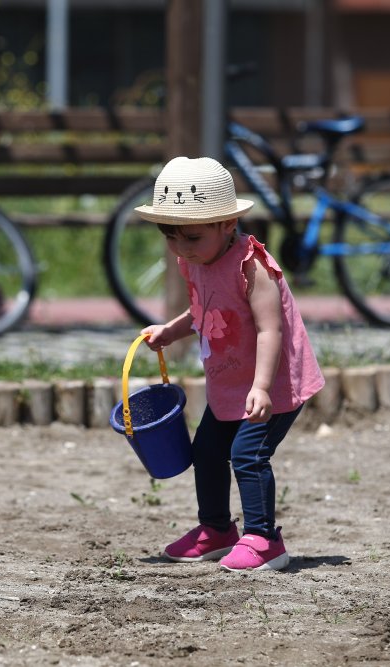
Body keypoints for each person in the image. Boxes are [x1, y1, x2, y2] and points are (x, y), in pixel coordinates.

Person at [134, 156, 325, 572]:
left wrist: (260, 387)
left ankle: (264, 538)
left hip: (272, 384)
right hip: (230, 381)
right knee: (206, 450)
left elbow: (269, 329)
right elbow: (204, 309)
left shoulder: (250, 265)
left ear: (225, 224)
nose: (181, 248)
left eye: (191, 237)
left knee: (248, 455)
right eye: (171, 237)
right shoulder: (195, 259)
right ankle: (218, 529)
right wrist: (171, 329)